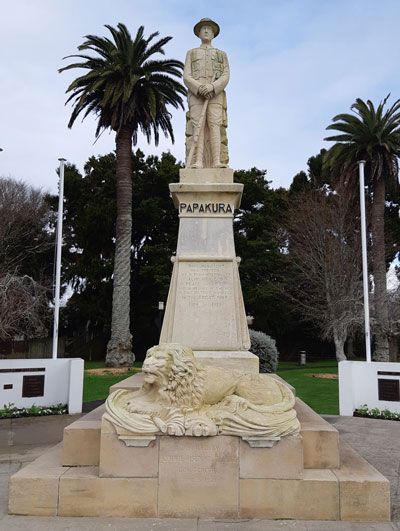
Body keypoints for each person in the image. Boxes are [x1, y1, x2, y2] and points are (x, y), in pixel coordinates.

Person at [183, 18, 230, 168]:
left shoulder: (221, 54)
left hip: (215, 96)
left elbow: (226, 75)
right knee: (198, 126)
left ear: (214, 33)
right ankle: (198, 161)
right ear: (198, 33)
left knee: (214, 125)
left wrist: (212, 87)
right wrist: (199, 88)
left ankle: (217, 161)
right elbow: (186, 76)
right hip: (196, 96)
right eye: (203, 28)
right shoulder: (191, 53)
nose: (206, 31)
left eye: (209, 29)